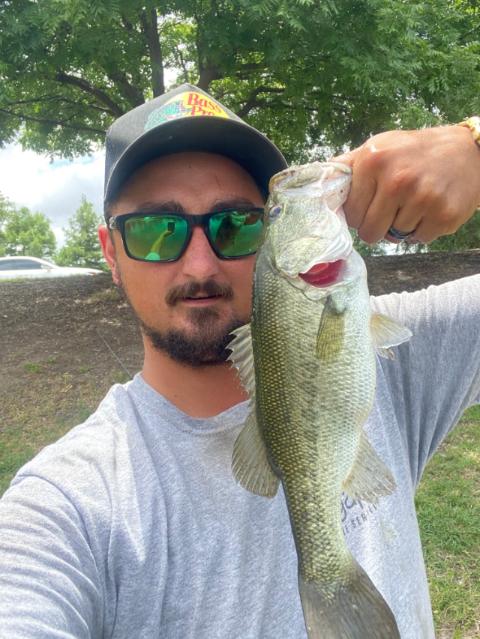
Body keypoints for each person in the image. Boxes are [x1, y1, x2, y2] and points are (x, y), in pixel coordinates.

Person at [0, 83, 478, 639]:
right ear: (111, 251)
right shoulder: (66, 506)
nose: (199, 265)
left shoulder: (393, 355)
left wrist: (472, 146)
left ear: (267, 236)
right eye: (156, 231)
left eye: (235, 224)